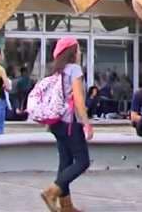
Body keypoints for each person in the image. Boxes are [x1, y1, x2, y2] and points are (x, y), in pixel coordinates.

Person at [40, 37, 93, 212]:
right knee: (83, 161)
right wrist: (86, 123)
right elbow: (78, 99)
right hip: (71, 123)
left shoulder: (57, 70)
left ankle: (66, 206)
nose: (80, 52)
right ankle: (51, 191)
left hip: (56, 123)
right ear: (72, 52)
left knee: (65, 162)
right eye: (78, 49)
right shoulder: (74, 69)